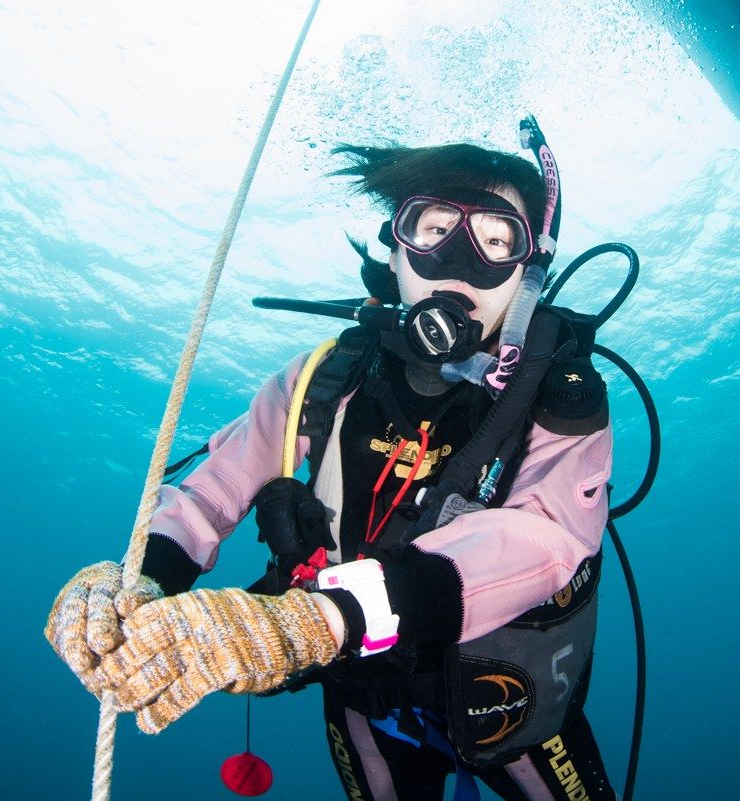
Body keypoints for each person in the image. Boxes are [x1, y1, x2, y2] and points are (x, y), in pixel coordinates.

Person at [46, 135, 619, 801]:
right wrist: (136, 577)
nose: (458, 263)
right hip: (363, 697)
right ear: (396, 246)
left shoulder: (561, 400)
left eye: (497, 239)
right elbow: (209, 495)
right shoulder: (322, 380)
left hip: (506, 699)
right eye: (432, 228)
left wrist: (324, 617)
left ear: (531, 269)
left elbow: (547, 538)